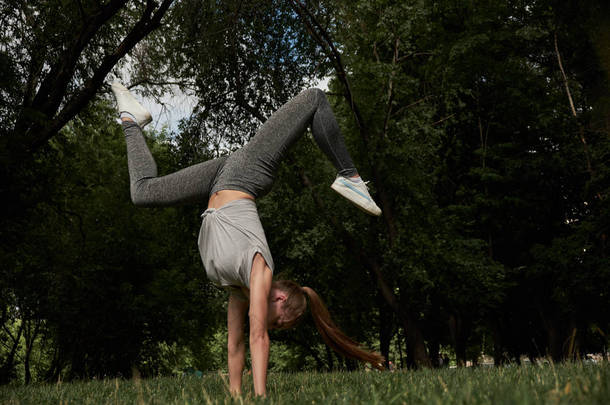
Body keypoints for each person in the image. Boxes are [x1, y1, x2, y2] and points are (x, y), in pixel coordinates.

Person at [111, 82, 384, 396]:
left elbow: (235, 344)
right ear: (280, 299)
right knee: (314, 98)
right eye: (280, 323)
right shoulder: (260, 272)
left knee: (143, 192)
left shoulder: (239, 290)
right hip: (246, 173)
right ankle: (349, 175)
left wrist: (237, 397)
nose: (273, 327)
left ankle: (131, 118)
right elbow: (258, 338)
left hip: (219, 181)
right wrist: (261, 396)